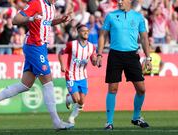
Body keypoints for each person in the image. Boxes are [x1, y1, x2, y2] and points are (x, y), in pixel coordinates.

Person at [0, 0, 74, 130]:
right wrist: (31, 18)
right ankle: (56, 122)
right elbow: (15, 20)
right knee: (48, 81)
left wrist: (59, 21)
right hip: (34, 46)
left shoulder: (51, 6)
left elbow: (45, 23)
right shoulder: (37, 3)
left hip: (40, 46)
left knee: (25, 85)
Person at [97, 0, 152, 130]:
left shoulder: (138, 17)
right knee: (113, 89)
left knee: (141, 89)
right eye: (118, 0)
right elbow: (103, 35)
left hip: (132, 56)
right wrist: (99, 54)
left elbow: (144, 38)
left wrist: (148, 58)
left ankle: (136, 117)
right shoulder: (110, 16)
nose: (120, 2)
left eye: (122, 0)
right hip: (115, 55)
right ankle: (109, 122)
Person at [58, 25, 97, 125]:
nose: (86, 33)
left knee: (81, 102)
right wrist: (62, 65)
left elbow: (93, 60)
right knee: (76, 99)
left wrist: (95, 60)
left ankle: (71, 118)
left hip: (83, 76)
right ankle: (69, 98)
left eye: (87, 31)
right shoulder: (72, 45)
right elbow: (60, 53)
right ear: (78, 32)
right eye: (83, 31)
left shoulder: (91, 47)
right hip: (71, 75)